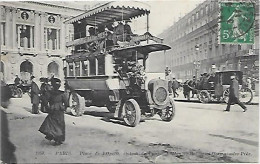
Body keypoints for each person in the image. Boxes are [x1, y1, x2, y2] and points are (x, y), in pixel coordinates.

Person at [39, 78, 68, 145]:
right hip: (60, 110)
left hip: (53, 109)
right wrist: (64, 108)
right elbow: (66, 103)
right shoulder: (62, 93)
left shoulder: (50, 93)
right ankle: (59, 139)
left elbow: (45, 101)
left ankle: (52, 135)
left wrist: (47, 108)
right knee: (60, 124)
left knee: (51, 123)